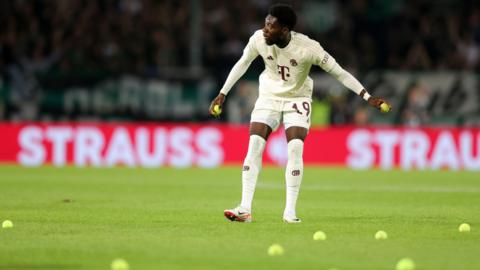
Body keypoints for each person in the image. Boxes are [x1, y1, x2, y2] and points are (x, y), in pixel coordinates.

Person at [209, 4, 390, 223]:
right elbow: (242, 63)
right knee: (254, 144)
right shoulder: (258, 39)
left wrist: (367, 96)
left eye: (270, 26)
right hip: (268, 96)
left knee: (295, 148)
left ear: (285, 30)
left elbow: (340, 73)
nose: (265, 29)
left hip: (297, 98)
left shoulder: (308, 48)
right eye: (265, 24)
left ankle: (290, 212)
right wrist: (222, 93)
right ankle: (244, 208)